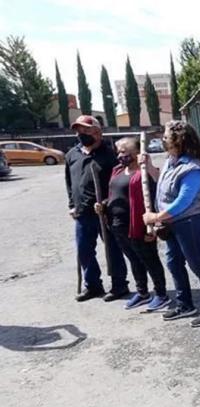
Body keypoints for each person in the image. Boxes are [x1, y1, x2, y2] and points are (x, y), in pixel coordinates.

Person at [143, 120, 200, 327]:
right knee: (173, 262)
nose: (163, 139)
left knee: (198, 265)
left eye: (166, 136)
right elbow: (164, 183)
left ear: (178, 140)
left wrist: (156, 217)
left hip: (190, 223)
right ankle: (185, 303)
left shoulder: (193, 168)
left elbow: (183, 201)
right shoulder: (172, 160)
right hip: (173, 223)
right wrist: (150, 168)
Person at [94, 137, 170, 311]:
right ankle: (143, 292)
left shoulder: (145, 174)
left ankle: (161, 294)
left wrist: (152, 227)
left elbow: (157, 195)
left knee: (150, 260)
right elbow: (115, 194)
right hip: (117, 225)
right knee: (134, 260)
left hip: (138, 225)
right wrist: (104, 204)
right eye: (118, 152)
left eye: (124, 152)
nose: (120, 155)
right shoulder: (117, 170)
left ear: (137, 153)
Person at [65, 115, 129, 302]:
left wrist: (107, 203)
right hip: (82, 213)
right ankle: (93, 285)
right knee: (84, 249)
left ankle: (119, 286)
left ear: (98, 132)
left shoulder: (110, 156)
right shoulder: (72, 155)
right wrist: (71, 205)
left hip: (105, 213)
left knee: (113, 249)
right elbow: (70, 183)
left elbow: (118, 185)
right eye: (78, 130)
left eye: (85, 130)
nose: (81, 134)